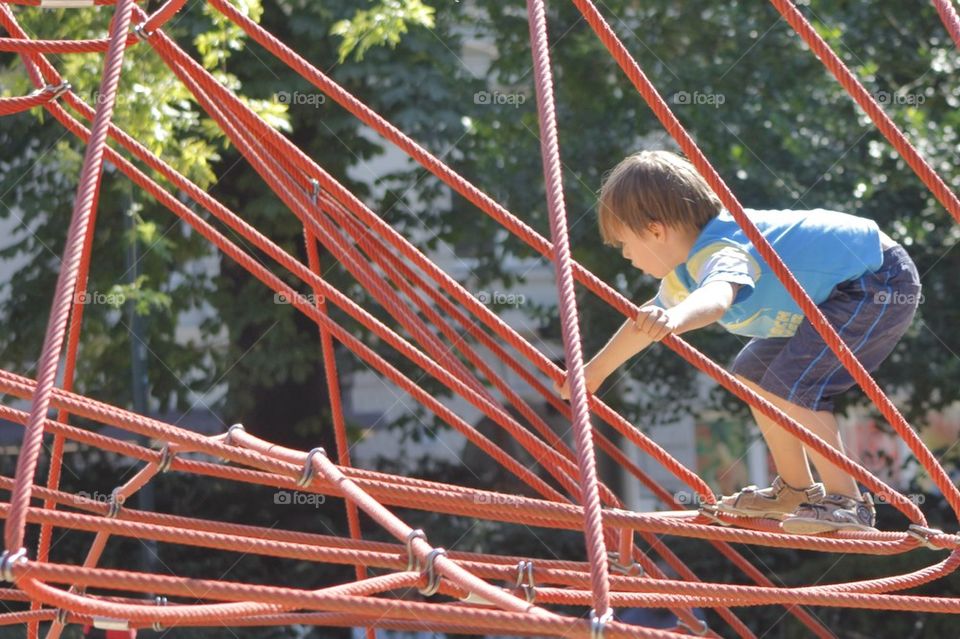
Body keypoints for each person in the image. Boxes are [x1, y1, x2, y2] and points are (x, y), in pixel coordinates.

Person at [556, 150, 922, 534]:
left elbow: (717, 297)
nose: (626, 255)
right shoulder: (687, 269)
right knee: (753, 371)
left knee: (791, 383)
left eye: (624, 244)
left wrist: (675, 319)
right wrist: (593, 372)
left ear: (655, 230)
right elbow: (640, 323)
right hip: (839, 291)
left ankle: (848, 503)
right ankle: (796, 490)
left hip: (876, 281)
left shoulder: (721, 249)